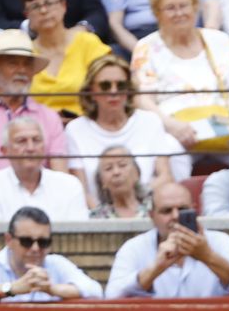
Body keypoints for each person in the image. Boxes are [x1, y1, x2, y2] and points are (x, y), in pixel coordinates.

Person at [130, 0, 229, 155]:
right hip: (175, 130)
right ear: (157, 14)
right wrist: (172, 126)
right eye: (170, 8)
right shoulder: (146, 48)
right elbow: (142, 99)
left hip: (226, 125)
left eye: (184, 5)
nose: (179, 13)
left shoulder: (220, 40)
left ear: (195, 7)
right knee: (166, 150)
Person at [66, 53, 187, 206]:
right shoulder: (75, 130)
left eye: (121, 85)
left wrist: (136, 208)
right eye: (105, 86)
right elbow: (81, 191)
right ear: (91, 92)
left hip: (146, 210)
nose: (114, 91)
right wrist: (107, 217)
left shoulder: (149, 121)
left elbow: (165, 177)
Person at [106, 179, 229, 296]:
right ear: (152, 216)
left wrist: (208, 257)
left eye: (183, 209)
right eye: (166, 211)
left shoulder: (220, 242)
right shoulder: (134, 248)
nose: (175, 216)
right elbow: (111, 296)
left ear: (195, 210)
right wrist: (156, 268)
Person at [22, 0, 112, 117]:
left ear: (64, 6)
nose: (44, 10)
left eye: (49, 3)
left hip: (87, 123)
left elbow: (110, 88)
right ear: (27, 15)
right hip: (37, 131)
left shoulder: (88, 43)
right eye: (35, 6)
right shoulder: (24, 53)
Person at [0, 206, 102, 300]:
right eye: (27, 241)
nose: (35, 248)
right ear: (9, 240)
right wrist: (11, 288)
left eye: (43, 242)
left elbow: (96, 292)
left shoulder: (56, 263)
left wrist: (52, 289)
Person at [0, 116, 87, 221]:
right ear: (5, 151)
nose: (30, 148)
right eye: (21, 141)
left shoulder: (69, 185)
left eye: (36, 140)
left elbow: (78, 235)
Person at [0, 30, 63, 170]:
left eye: (27, 64)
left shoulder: (49, 117)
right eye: (13, 64)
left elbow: (61, 175)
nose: (22, 70)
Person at [89, 145, 151, 217]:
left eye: (122, 165)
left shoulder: (154, 207)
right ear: (102, 181)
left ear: (136, 173)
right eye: (108, 168)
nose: (116, 172)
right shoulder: (97, 217)